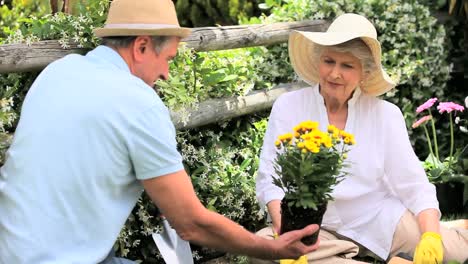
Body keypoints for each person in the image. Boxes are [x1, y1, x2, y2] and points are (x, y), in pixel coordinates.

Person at [0, 0, 321, 263]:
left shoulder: (59, 71)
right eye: (167, 59)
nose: (166, 73)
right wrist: (272, 249)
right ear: (141, 46)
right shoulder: (139, 103)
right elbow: (191, 224)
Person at [253, 13, 468, 264]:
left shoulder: (386, 115)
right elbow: (269, 180)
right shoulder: (289, 107)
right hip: (311, 227)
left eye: (347, 66)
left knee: (453, 250)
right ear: (318, 61)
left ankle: (451, 231)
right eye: (329, 61)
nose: (335, 73)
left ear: (364, 72)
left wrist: (430, 235)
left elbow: (414, 184)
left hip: (379, 218)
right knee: (263, 249)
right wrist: (286, 235)